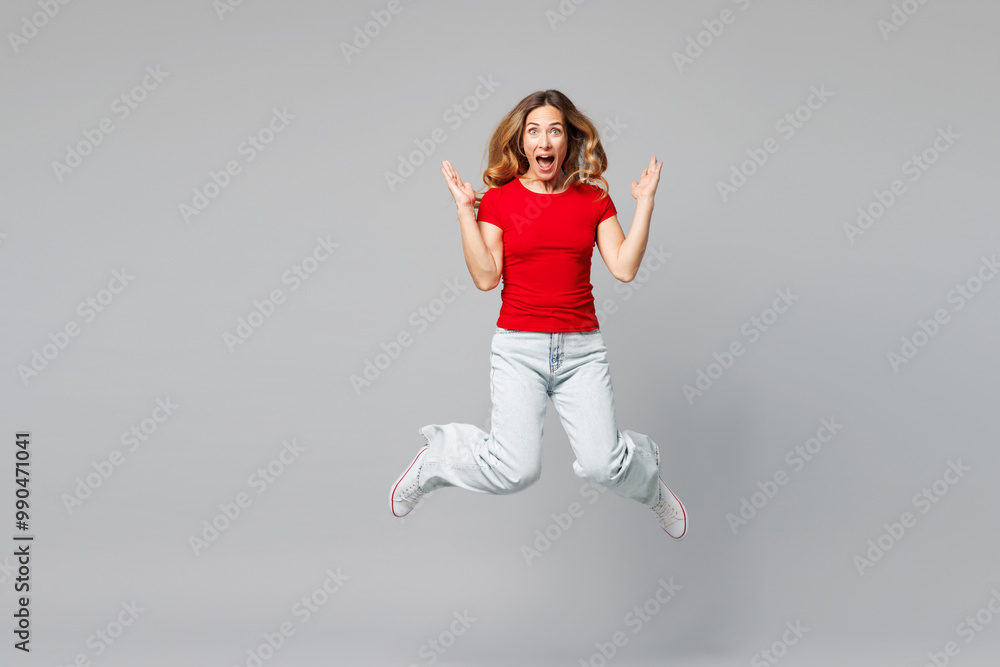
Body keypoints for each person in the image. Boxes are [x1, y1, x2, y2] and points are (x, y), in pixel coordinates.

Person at [389, 89, 686, 538]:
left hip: (582, 350)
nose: (544, 140)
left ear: (568, 140)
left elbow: (624, 267)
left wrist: (644, 202)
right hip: (519, 349)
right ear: (522, 143)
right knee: (516, 471)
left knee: (603, 466)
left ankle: (649, 481)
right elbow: (487, 277)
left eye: (554, 130)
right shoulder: (500, 202)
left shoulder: (592, 200)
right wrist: (465, 213)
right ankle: (438, 457)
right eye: (534, 131)